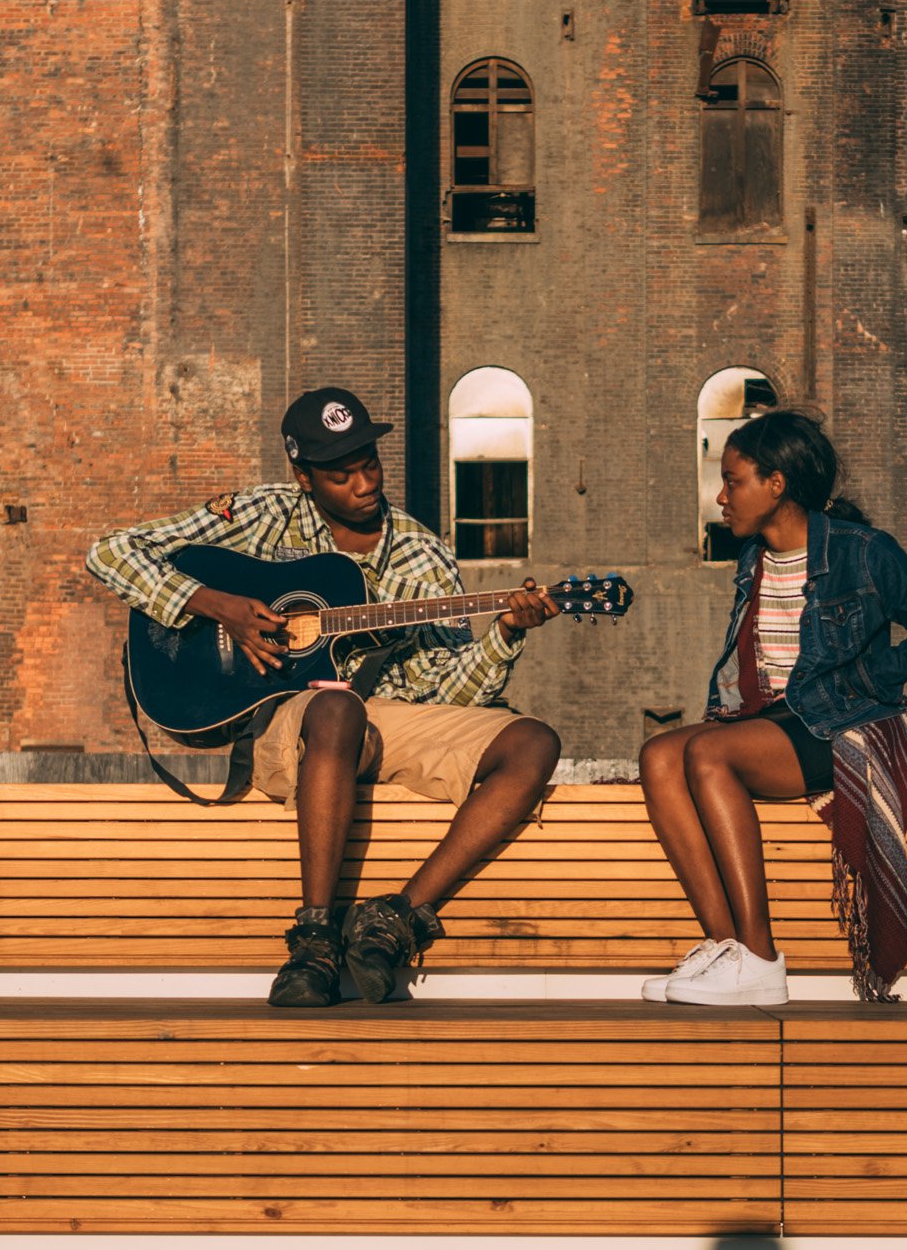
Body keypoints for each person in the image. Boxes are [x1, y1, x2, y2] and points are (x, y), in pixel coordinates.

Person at [86, 387, 561, 1007]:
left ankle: (397, 918)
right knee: (338, 707)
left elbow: (452, 691)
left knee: (532, 741)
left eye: (371, 465)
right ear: (304, 478)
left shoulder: (422, 555)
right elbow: (111, 552)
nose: (365, 484)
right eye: (342, 475)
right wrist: (217, 605)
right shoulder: (263, 513)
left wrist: (504, 633)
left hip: (390, 721)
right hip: (290, 719)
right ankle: (313, 941)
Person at [638, 409, 907, 1005]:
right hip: (779, 721)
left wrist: (864, 676)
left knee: (709, 754)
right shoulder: (754, 561)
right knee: (660, 755)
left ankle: (762, 958)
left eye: (733, 480)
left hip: (848, 725)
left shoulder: (864, 551)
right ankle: (727, 948)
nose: (721, 496)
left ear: (776, 484)